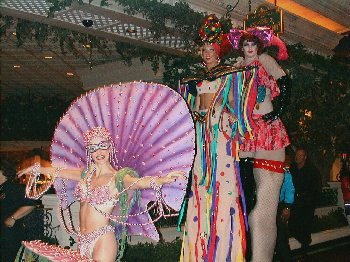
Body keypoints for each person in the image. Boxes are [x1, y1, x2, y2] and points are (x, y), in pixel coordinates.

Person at [18, 126, 186, 261]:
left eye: (102, 145)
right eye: (93, 147)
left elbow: (139, 182)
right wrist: (40, 168)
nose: (98, 152)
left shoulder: (118, 178)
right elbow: (60, 171)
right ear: (89, 151)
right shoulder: (86, 174)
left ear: (110, 147)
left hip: (102, 239)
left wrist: (161, 180)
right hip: (82, 239)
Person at [178, 14, 259, 261]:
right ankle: (198, 252)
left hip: (220, 139)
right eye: (203, 49)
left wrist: (228, 115)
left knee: (223, 190)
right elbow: (185, 110)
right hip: (200, 140)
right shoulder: (193, 81)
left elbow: (238, 106)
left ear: (218, 51)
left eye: (210, 48)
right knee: (199, 187)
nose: (206, 53)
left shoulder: (229, 76)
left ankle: (224, 252)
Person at [228, 27, 292, 262]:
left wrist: (277, 113)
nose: (250, 48)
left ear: (259, 46)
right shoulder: (236, 66)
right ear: (242, 47)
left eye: (253, 44)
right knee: (246, 200)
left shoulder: (265, 60)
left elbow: (285, 84)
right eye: (246, 45)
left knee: (261, 210)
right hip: (245, 133)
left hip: (266, 132)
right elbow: (226, 96)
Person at [0, 159, 38, 262]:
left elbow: (31, 204)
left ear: (3, 172)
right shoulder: (2, 188)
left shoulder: (15, 188)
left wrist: (13, 218)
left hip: (9, 235)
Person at [289, 147, 322, 259]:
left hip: (307, 203)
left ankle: (304, 251)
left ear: (305, 157)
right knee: (293, 226)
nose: (297, 157)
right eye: (296, 155)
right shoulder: (292, 168)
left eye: (300, 155)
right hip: (294, 202)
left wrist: (311, 202)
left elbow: (316, 188)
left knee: (305, 227)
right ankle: (305, 241)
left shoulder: (312, 170)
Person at [275, 167, 295, 262]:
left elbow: (289, 188)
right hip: (263, 206)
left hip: (278, 205)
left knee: (281, 236)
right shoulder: (262, 166)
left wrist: (287, 207)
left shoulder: (284, 171)